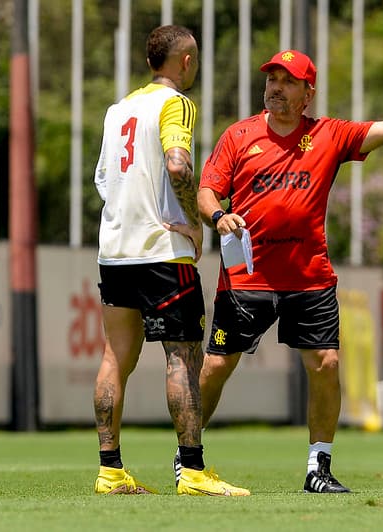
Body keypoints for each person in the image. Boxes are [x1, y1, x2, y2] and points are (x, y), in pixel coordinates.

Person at [191, 49, 383, 493]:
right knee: (215, 367)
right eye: (272, 78)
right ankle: (189, 458)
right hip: (247, 278)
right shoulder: (238, 136)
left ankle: (318, 469)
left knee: (326, 364)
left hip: (309, 278)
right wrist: (219, 217)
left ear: (307, 93)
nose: (275, 86)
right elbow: (206, 192)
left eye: (287, 81)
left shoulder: (329, 135)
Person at [92, 25, 248, 496]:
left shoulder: (117, 110)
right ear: (184, 61)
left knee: (114, 358)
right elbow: (178, 164)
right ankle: (194, 472)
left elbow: (103, 178)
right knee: (181, 355)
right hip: (163, 252)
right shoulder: (175, 103)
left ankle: (110, 471)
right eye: (194, 58)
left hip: (115, 250)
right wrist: (190, 220)